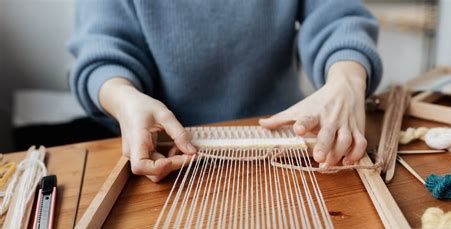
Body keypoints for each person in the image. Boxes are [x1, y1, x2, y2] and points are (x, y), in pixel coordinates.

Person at [68, 0, 382, 182]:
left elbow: (337, 16)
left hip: (293, 145)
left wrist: (347, 79)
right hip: (175, 159)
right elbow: (103, 55)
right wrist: (124, 99)